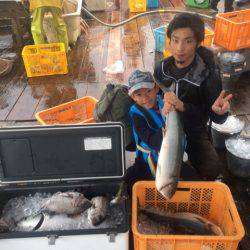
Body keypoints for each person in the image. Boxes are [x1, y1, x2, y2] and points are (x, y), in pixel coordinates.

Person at [154, 13, 232, 180]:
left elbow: (215, 118)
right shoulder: (161, 69)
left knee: (212, 169)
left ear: (197, 44)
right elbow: (155, 98)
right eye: (175, 40)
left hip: (194, 130)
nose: (180, 48)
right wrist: (161, 104)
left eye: (188, 41)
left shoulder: (208, 75)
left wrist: (220, 113)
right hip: (164, 126)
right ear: (169, 40)